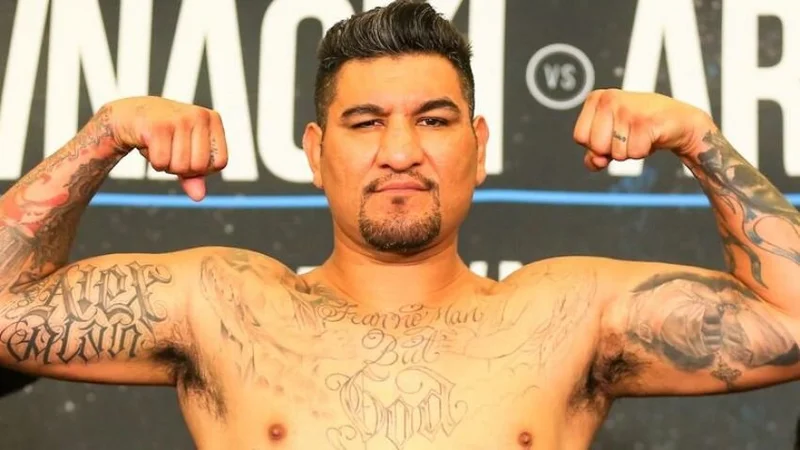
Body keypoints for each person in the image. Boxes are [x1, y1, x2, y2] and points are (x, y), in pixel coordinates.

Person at [1, 1, 799, 448]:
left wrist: (701, 139)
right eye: (365, 122)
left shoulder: (566, 314)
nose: (401, 151)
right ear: (316, 153)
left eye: (435, 120)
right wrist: (105, 133)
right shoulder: (223, 305)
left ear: (478, 146)